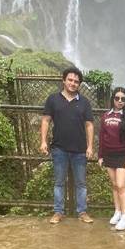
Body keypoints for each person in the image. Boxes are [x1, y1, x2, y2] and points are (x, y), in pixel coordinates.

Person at [39, 66, 95, 224]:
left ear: (79, 84)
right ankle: (58, 212)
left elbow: (89, 125)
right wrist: (43, 141)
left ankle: (82, 212)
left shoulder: (84, 102)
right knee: (59, 182)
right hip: (59, 149)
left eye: (76, 81)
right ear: (63, 80)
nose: (73, 83)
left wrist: (90, 146)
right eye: (70, 80)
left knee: (81, 183)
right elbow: (46, 120)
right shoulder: (53, 99)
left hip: (79, 150)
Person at [99, 87, 125, 231]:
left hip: (122, 156)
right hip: (109, 155)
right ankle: (117, 212)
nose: (120, 101)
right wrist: (100, 155)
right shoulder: (105, 116)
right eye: (117, 98)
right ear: (113, 99)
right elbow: (102, 136)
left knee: (121, 186)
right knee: (114, 185)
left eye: (123, 99)